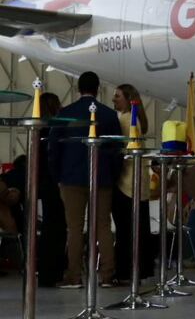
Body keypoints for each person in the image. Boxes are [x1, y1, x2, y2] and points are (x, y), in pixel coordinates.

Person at [48, 71, 123, 289]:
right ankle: (107, 275)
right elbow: (118, 149)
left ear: (78, 88)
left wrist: (58, 175)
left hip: (71, 179)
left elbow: (54, 148)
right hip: (102, 179)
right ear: (98, 88)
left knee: (74, 227)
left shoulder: (66, 113)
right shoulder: (109, 115)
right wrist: (112, 175)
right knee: (103, 227)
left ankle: (74, 276)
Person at [110, 84, 154, 280]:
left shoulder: (125, 120)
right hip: (140, 180)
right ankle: (144, 267)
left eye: (117, 96)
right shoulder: (137, 119)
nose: (114, 99)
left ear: (128, 99)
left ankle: (125, 269)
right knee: (141, 227)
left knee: (124, 230)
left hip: (125, 181)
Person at [35, 92, 66, 287]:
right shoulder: (57, 129)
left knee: (48, 226)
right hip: (57, 181)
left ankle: (45, 270)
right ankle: (55, 270)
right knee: (58, 227)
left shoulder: (39, 130)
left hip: (44, 182)